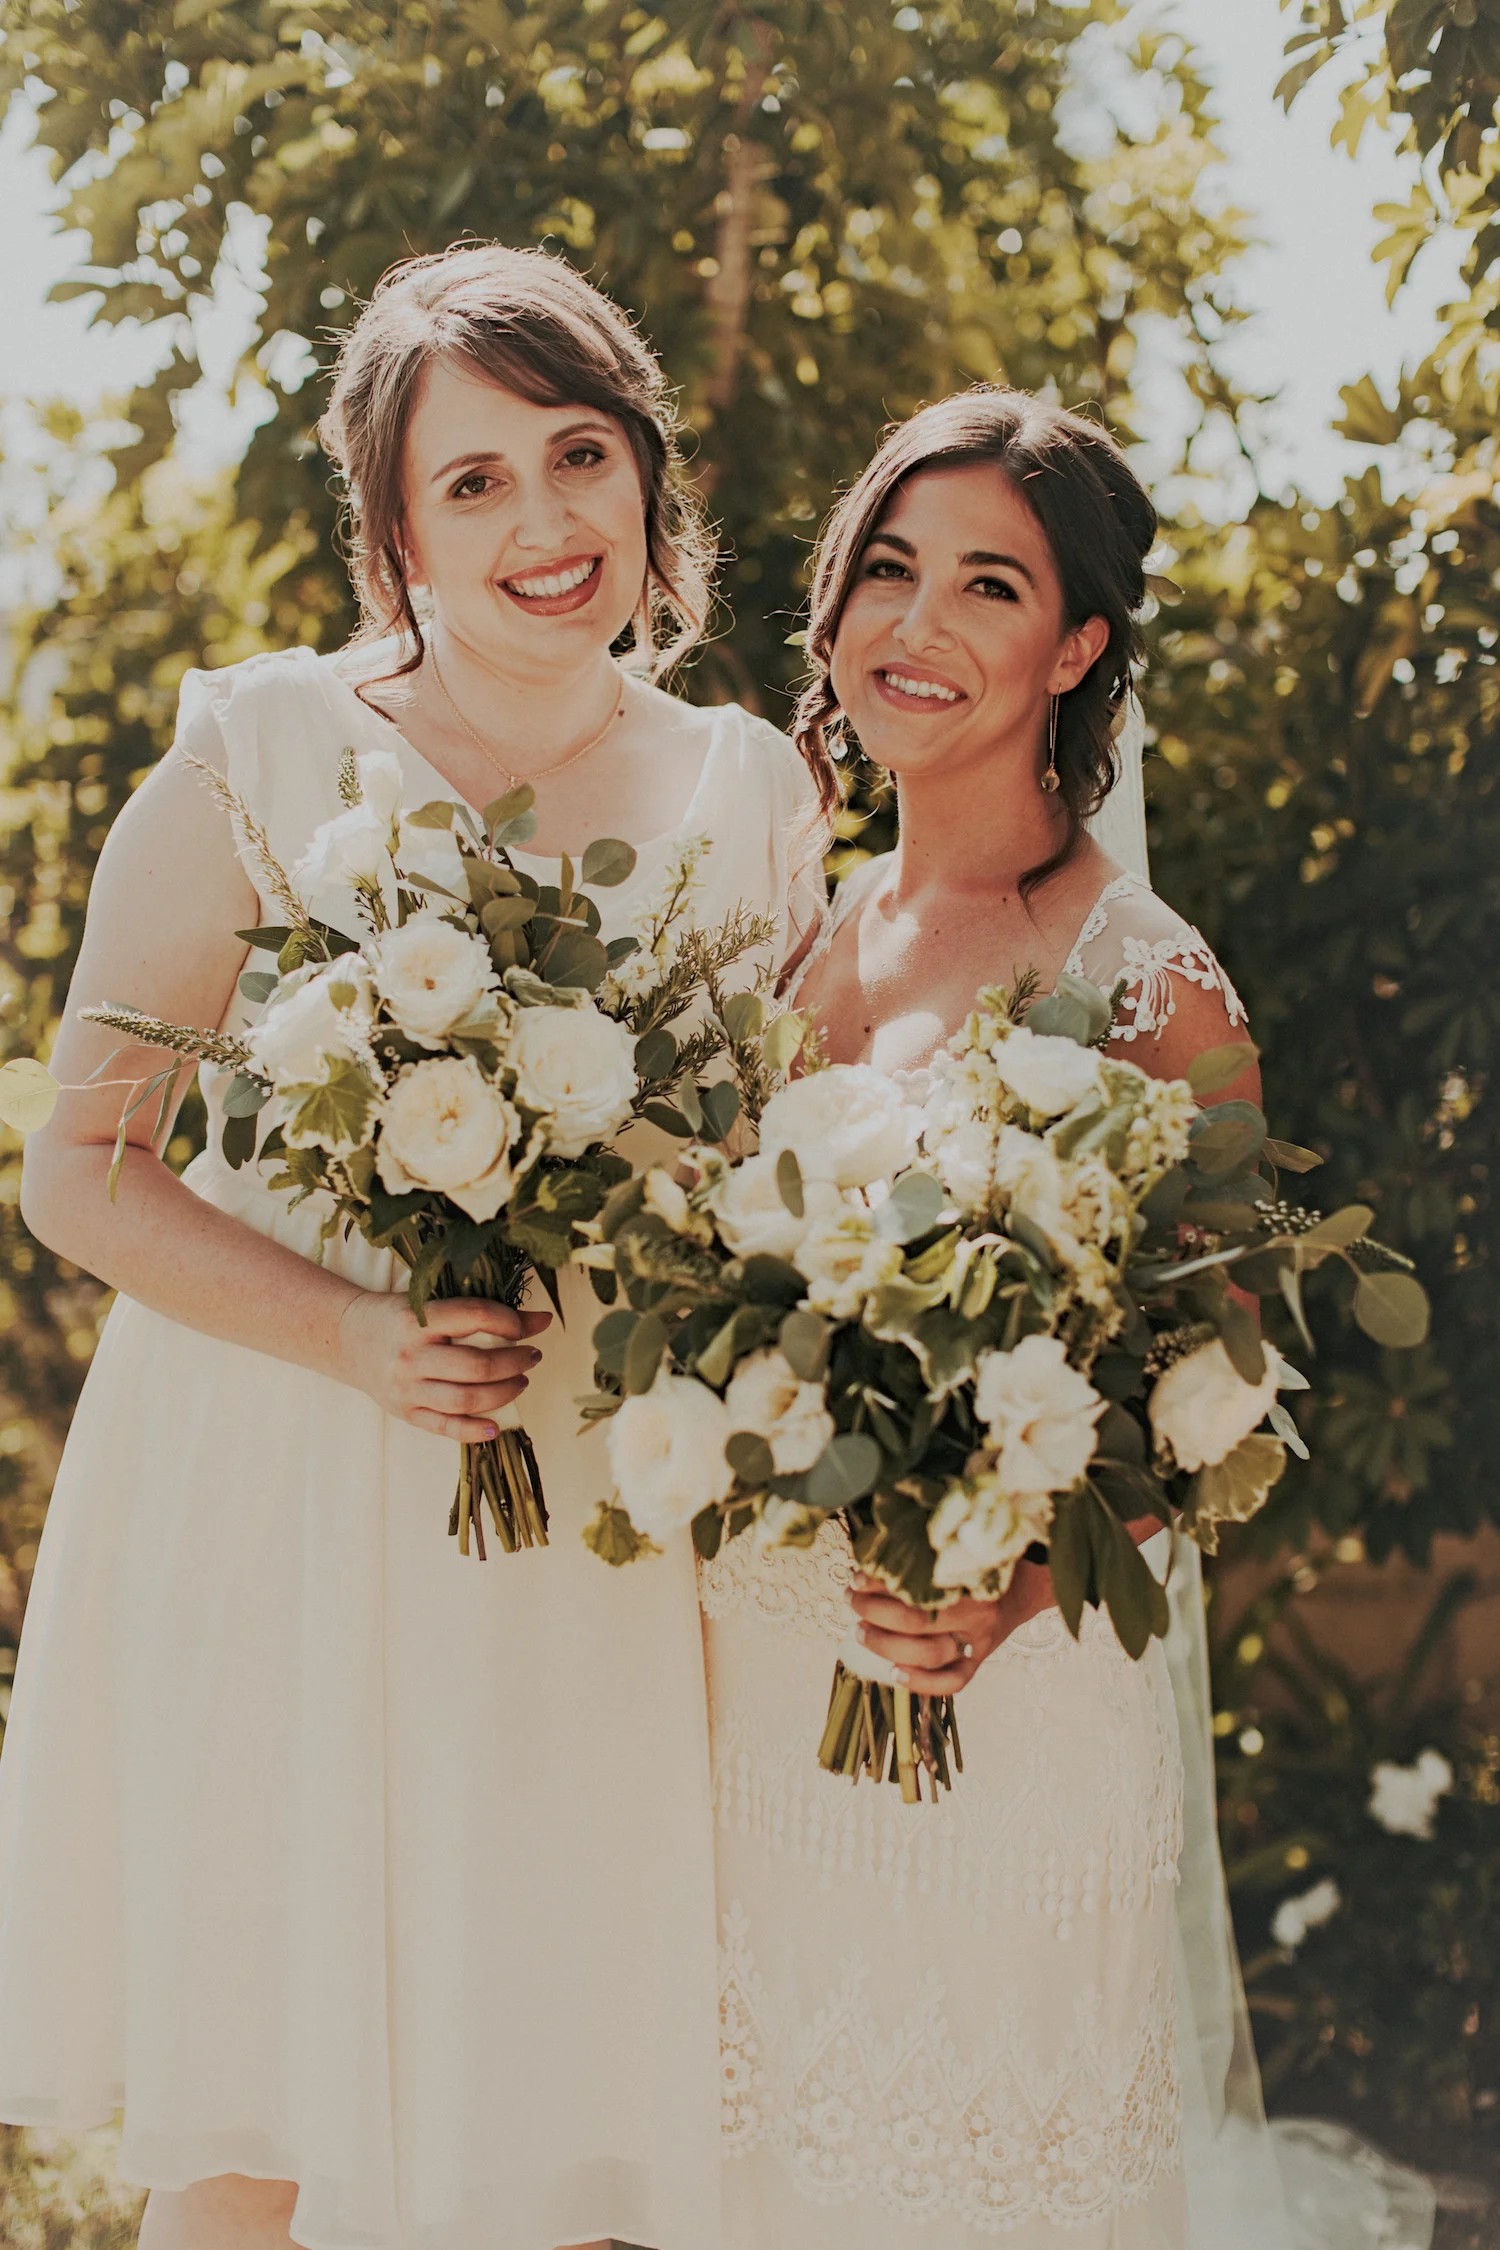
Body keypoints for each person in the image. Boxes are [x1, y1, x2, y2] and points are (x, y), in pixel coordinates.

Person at [0, 244, 819, 2250]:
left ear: (647, 471)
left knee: (569, 2095)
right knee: (263, 2116)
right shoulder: (260, 754)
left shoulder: (752, 793)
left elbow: (771, 1181)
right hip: (293, 1496)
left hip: (599, 1537)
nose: (546, 519)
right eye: (475, 480)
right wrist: (358, 1334)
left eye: (581, 453)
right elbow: (80, 1166)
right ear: (396, 533)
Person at [699, 389, 1434, 2249]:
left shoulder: (1149, 979)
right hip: (769, 1691)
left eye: (989, 587)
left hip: (1009, 1698)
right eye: (889, 568)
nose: (916, 624)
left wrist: (1009, 1589)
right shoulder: (797, 937)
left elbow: (1226, 1376)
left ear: (1080, 648)